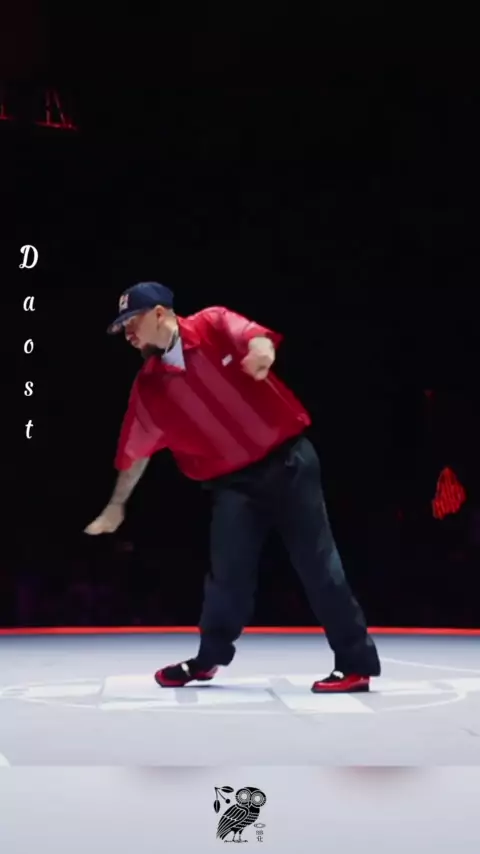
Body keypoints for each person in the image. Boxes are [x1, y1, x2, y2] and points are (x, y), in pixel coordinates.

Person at [85, 281, 381, 692]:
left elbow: (252, 336)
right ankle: (207, 660)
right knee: (226, 578)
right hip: (234, 485)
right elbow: (136, 451)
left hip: (289, 463)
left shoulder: (212, 323)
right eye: (122, 328)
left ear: (159, 313)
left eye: (131, 322)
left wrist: (263, 350)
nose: (127, 334)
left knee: (319, 566)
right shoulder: (149, 385)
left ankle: (355, 664)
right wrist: (117, 505)